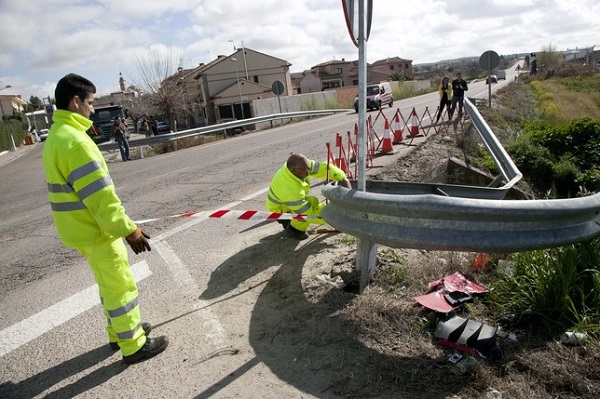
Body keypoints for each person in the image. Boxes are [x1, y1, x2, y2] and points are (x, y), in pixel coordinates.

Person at [41, 73, 168, 365]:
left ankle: (119, 332)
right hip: (97, 231)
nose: (93, 108)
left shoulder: (57, 137)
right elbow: (101, 200)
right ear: (76, 102)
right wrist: (130, 230)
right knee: (121, 286)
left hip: (80, 231)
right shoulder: (76, 142)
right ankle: (134, 345)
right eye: (90, 102)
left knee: (107, 285)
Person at [266, 153, 351, 240]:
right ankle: (294, 230)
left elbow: (324, 168)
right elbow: (307, 214)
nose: (308, 171)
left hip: (287, 201)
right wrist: (333, 218)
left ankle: (291, 223)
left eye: (308, 167)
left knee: (313, 201)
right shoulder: (290, 190)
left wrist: (342, 177)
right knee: (307, 209)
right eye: (305, 169)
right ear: (294, 170)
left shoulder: (301, 166)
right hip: (280, 209)